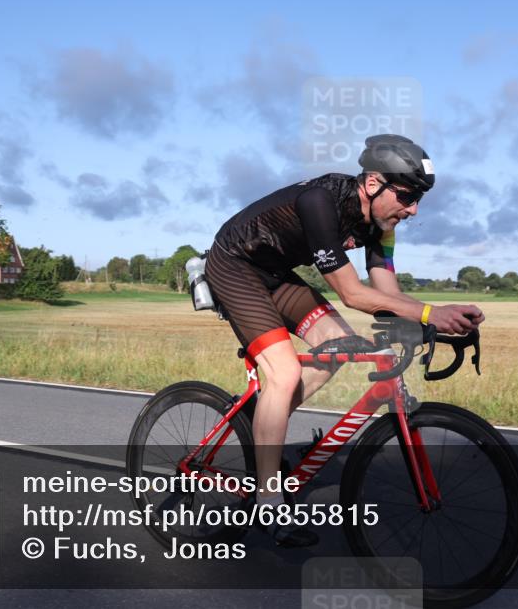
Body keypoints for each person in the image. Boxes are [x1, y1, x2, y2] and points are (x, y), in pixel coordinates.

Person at [204, 134, 484, 547]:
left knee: (341, 347)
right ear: (373, 184)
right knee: (282, 372)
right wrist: (429, 314)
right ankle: (268, 499)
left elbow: (388, 294)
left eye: (417, 200)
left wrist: (441, 317)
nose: (413, 210)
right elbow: (353, 295)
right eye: (406, 197)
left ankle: (262, 424)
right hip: (235, 266)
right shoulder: (321, 202)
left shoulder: (383, 226)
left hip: (278, 275)